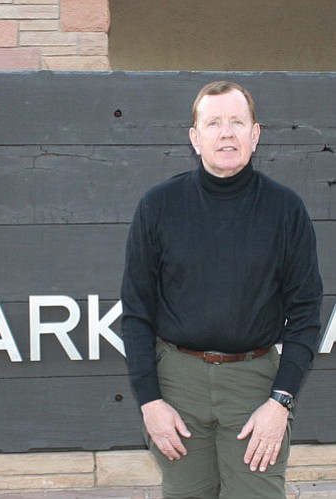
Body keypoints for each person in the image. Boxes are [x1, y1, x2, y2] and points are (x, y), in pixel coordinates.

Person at [120, 81, 323, 499]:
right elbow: (136, 311)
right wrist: (150, 402)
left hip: (254, 387)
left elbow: (304, 312)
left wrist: (280, 403)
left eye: (237, 121)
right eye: (213, 122)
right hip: (178, 386)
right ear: (195, 138)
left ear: (255, 133)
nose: (226, 132)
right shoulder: (158, 206)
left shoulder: (285, 209)